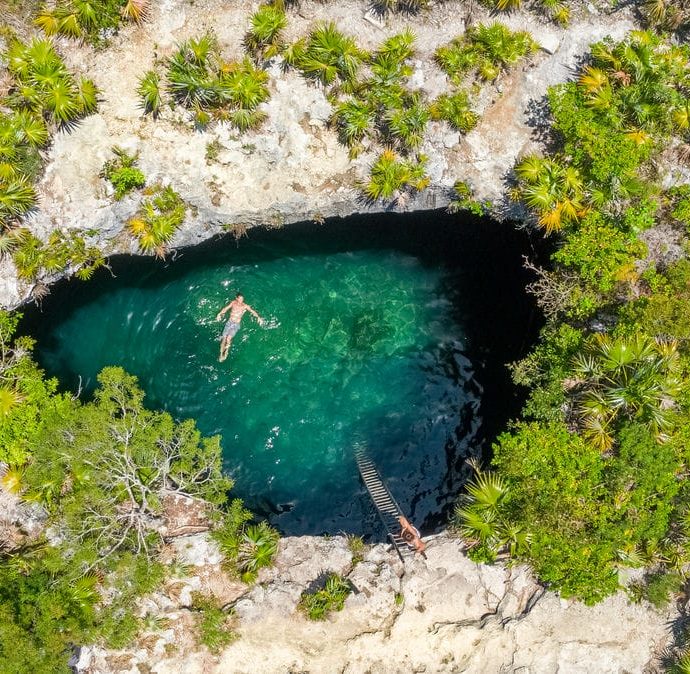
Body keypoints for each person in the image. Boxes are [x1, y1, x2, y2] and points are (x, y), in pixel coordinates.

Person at [216, 292, 264, 362]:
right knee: (224, 338)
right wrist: (219, 314)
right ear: (237, 298)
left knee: (228, 338)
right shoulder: (233, 303)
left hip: (236, 324)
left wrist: (259, 317)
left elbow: (252, 311)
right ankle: (221, 354)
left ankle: (226, 353)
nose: (241, 300)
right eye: (240, 299)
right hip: (229, 322)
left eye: (242, 299)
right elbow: (226, 308)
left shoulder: (245, 306)